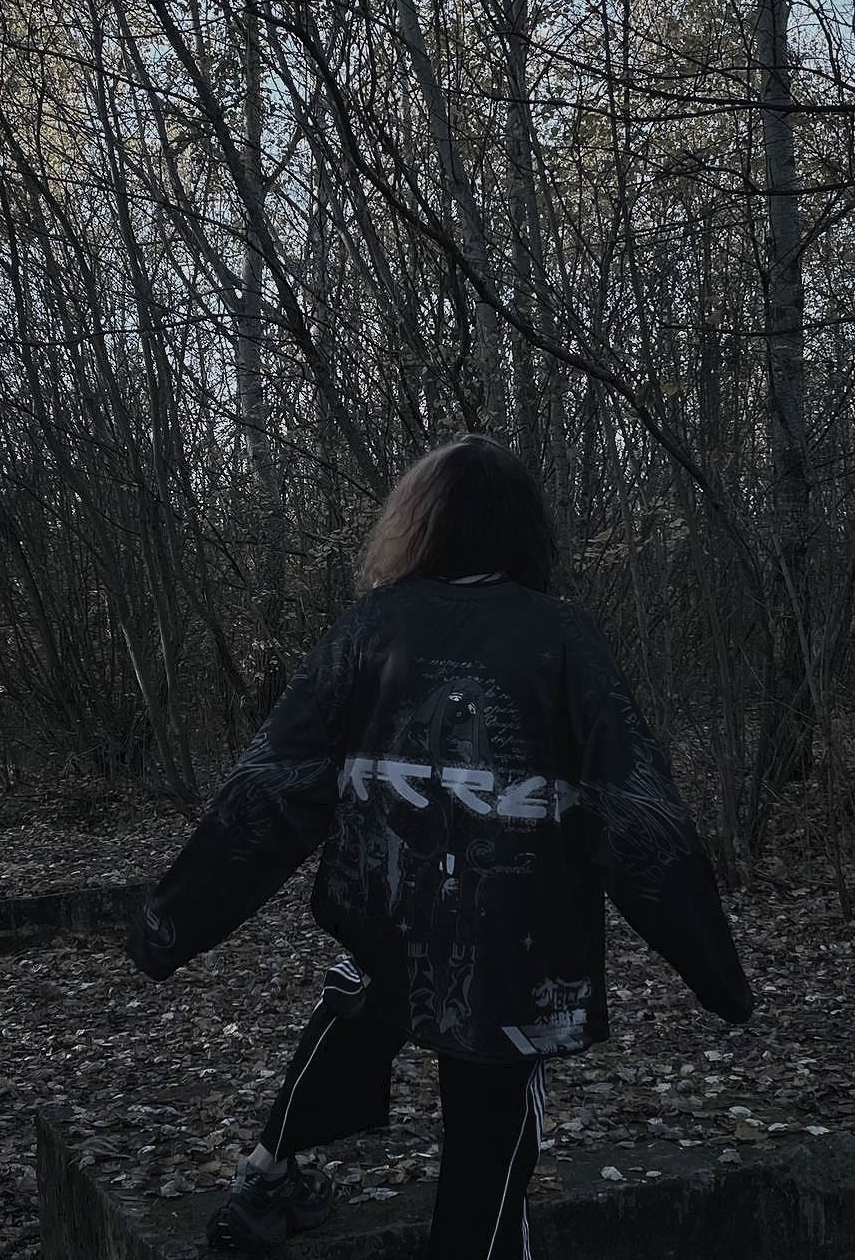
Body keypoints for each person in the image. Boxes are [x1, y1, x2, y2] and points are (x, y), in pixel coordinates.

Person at [126, 434, 754, 1259]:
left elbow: (269, 792)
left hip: (388, 913)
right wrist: (717, 973)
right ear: (524, 527)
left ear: (418, 523)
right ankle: (282, 1176)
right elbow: (640, 818)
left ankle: (268, 1170)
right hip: (511, 948)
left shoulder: (373, 627)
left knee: (360, 1002)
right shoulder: (562, 637)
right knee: (489, 1156)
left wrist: (172, 920)